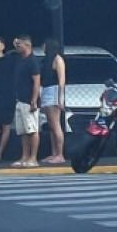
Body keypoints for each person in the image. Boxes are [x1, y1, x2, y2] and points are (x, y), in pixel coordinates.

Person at [9, 34, 42, 168]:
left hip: (29, 101)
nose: (17, 47)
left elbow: (36, 81)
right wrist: (15, 42)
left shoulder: (32, 61)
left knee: (32, 130)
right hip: (20, 100)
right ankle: (24, 156)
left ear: (27, 45)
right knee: (23, 131)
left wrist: (33, 100)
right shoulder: (20, 59)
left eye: (19, 45)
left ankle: (33, 158)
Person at [39, 37, 67, 165]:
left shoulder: (58, 59)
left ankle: (60, 154)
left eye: (44, 45)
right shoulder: (46, 61)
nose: (42, 47)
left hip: (54, 91)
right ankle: (54, 152)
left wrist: (60, 99)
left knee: (56, 124)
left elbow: (61, 81)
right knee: (51, 125)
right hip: (46, 89)